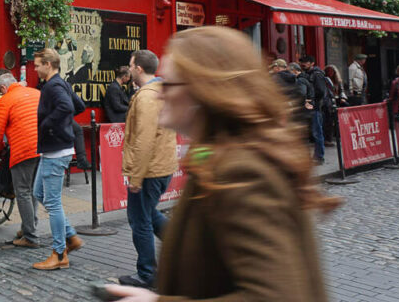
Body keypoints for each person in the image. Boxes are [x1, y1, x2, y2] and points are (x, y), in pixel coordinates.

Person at [105, 26, 339, 302]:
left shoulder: (244, 171)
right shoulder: (215, 156)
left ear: (203, 90)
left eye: (169, 83)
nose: (160, 92)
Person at [118, 49, 178, 289]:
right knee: (149, 214)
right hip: (161, 166)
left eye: (131, 65)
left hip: (151, 170)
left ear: (139, 69)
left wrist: (136, 176)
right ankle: (182, 245)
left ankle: (147, 275)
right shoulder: (160, 92)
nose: (129, 69)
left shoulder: (146, 97)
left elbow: (144, 140)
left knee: (139, 220)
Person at [30, 48, 83, 270]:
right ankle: (70, 237)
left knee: (52, 202)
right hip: (53, 150)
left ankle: (60, 253)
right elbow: (78, 106)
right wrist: (61, 125)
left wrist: (49, 125)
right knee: (38, 193)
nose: (35, 68)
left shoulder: (53, 86)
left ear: (49, 65)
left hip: (56, 151)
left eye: (37, 65)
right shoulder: (60, 83)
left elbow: (67, 107)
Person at [0, 71, 41, 248]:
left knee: (23, 192)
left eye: (0, 90)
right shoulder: (36, 93)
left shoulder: (6, 99)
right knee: (33, 190)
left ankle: (30, 236)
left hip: (23, 149)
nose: (1, 93)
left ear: (4, 87)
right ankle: (29, 226)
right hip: (41, 147)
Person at [299, 55, 328, 164]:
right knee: (310, 133)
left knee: (317, 133)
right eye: (302, 62)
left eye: (305, 62)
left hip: (315, 107)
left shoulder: (317, 74)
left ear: (312, 63)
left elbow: (321, 91)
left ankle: (319, 157)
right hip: (309, 107)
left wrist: (310, 99)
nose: (303, 64)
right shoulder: (306, 74)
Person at [323, 65, 346, 145]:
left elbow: (341, 90)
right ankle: (328, 139)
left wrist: (342, 98)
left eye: (332, 71)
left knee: (337, 121)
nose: (330, 73)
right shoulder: (324, 80)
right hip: (328, 103)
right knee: (328, 121)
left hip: (337, 101)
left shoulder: (337, 81)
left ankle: (338, 137)